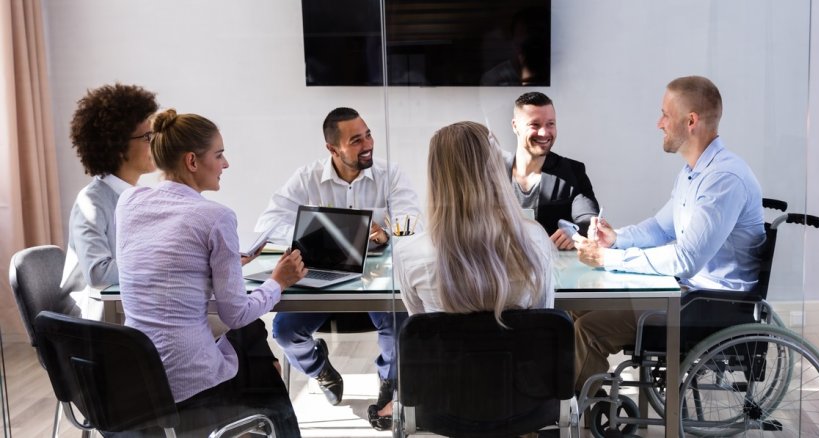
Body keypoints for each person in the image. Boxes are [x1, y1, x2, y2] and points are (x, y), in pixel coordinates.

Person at [115, 109, 305, 436]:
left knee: (250, 347)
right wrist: (279, 281)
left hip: (140, 379)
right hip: (189, 384)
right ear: (192, 161)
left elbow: (166, 263)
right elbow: (236, 314)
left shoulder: (130, 201)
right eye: (218, 155)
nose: (225, 164)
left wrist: (224, 264)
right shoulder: (215, 217)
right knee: (261, 366)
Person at [572, 76, 766, 392]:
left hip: (709, 306)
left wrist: (609, 259)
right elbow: (662, 227)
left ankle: (585, 414)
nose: (658, 123)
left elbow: (686, 259)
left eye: (665, 114)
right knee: (578, 307)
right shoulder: (694, 172)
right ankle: (586, 405)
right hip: (689, 295)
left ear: (691, 121)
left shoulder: (723, 179)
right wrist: (616, 238)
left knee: (590, 329)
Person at [254, 107, 420, 416]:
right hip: (323, 277)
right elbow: (267, 225)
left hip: (376, 279)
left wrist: (384, 233)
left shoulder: (390, 174)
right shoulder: (307, 178)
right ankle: (319, 369)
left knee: (399, 324)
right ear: (333, 149)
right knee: (284, 331)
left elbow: (412, 223)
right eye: (356, 140)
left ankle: (389, 381)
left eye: (368, 134)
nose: (367, 144)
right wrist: (324, 233)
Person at [392, 120, 555, 429]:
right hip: (523, 403)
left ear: (437, 175)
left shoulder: (410, 253)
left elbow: (421, 326)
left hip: (443, 405)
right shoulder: (534, 241)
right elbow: (543, 316)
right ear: (496, 171)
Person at [63, 83, 158, 319]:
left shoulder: (140, 196)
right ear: (118, 146)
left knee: (237, 330)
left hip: (130, 309)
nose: (156, 142)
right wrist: (164, 263)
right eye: (148, 136)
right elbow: (98, 273)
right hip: (98, 323)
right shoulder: (91, 202)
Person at [506, 91, 599, 250]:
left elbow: (588, 220)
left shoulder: (573, 172)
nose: (544, 132)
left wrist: (574, 232)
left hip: (555, 268)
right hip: (500, 268)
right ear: (515, 126)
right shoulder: (492, 173)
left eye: (550, 124)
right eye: (534, 124)